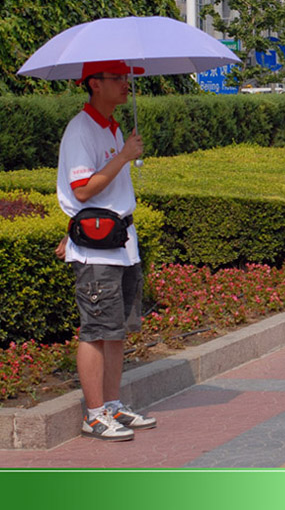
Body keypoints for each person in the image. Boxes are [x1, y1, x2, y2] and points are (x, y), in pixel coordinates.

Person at [55, 59, 157, 441]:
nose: (124, 84)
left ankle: (112, 405)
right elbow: (81, 190)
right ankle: (94, 414)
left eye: (125, 78)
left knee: (116, 331)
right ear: (94, 84)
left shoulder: (113, 126)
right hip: (97, 250)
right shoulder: (81, 130)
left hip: (122, 245)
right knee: (95, 331)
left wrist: (124, 151)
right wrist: (124, 156)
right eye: (117, 78)